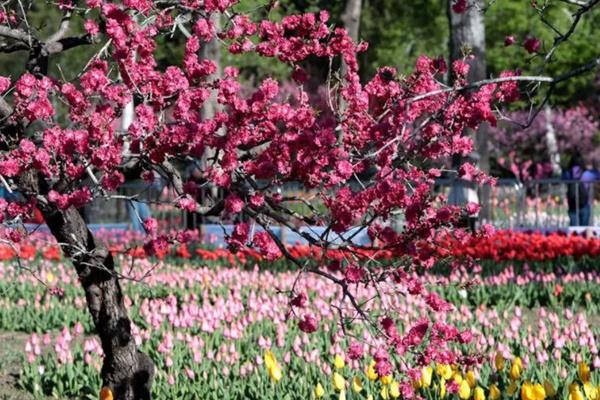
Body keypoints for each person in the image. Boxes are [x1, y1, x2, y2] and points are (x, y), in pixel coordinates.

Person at [447, 153, 480, 232]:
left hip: (470, 198)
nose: (465, 160)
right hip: (457, 198)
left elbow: (476, 183)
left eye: (466, 158)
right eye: (463, 158)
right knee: (458, 225)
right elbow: (452, 180)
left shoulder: (473, 170)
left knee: (472, 225)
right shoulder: (455, 169)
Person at [562, 152, 596, 226]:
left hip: (572, 205)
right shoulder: (587, 174)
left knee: (574, 230)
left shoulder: (568, 174)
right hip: (584, 204)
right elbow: (597, 175)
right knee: (584, 229)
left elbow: (562, 178)